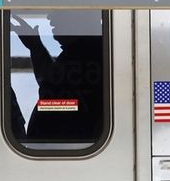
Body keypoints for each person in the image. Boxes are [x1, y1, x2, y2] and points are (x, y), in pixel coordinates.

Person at [11, 11, 104, 141]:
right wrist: (35, 47)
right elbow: (54, 83)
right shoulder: (77, 53)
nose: (50, 17)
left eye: (59, 11)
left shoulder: (104, 55)